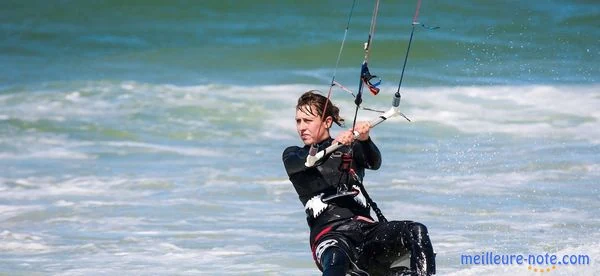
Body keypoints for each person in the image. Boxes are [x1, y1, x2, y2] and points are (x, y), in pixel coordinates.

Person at [282, 91, 436, 276]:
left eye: (307, 121)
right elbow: (310, 160)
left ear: (327, 122)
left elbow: (374, 162)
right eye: (298, 121)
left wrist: (364, 139)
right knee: (335, 261)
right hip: (330, 236)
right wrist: (334, 145)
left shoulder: (351, 147)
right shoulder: (293, 155)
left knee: (416, 230)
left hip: (365, 231)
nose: (301, 127)